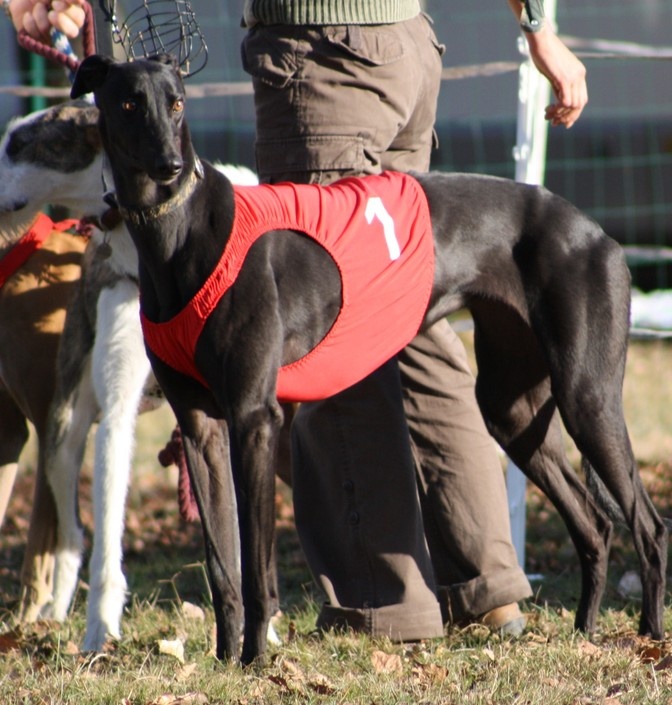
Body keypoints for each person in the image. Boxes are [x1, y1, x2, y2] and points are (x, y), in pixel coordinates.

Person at [10, 0, 588, 642]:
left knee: (327, 344)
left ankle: (384, 609)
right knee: (408, 315)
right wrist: (536, 25)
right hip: (405, 45)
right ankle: (490, 593)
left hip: (324, 59)